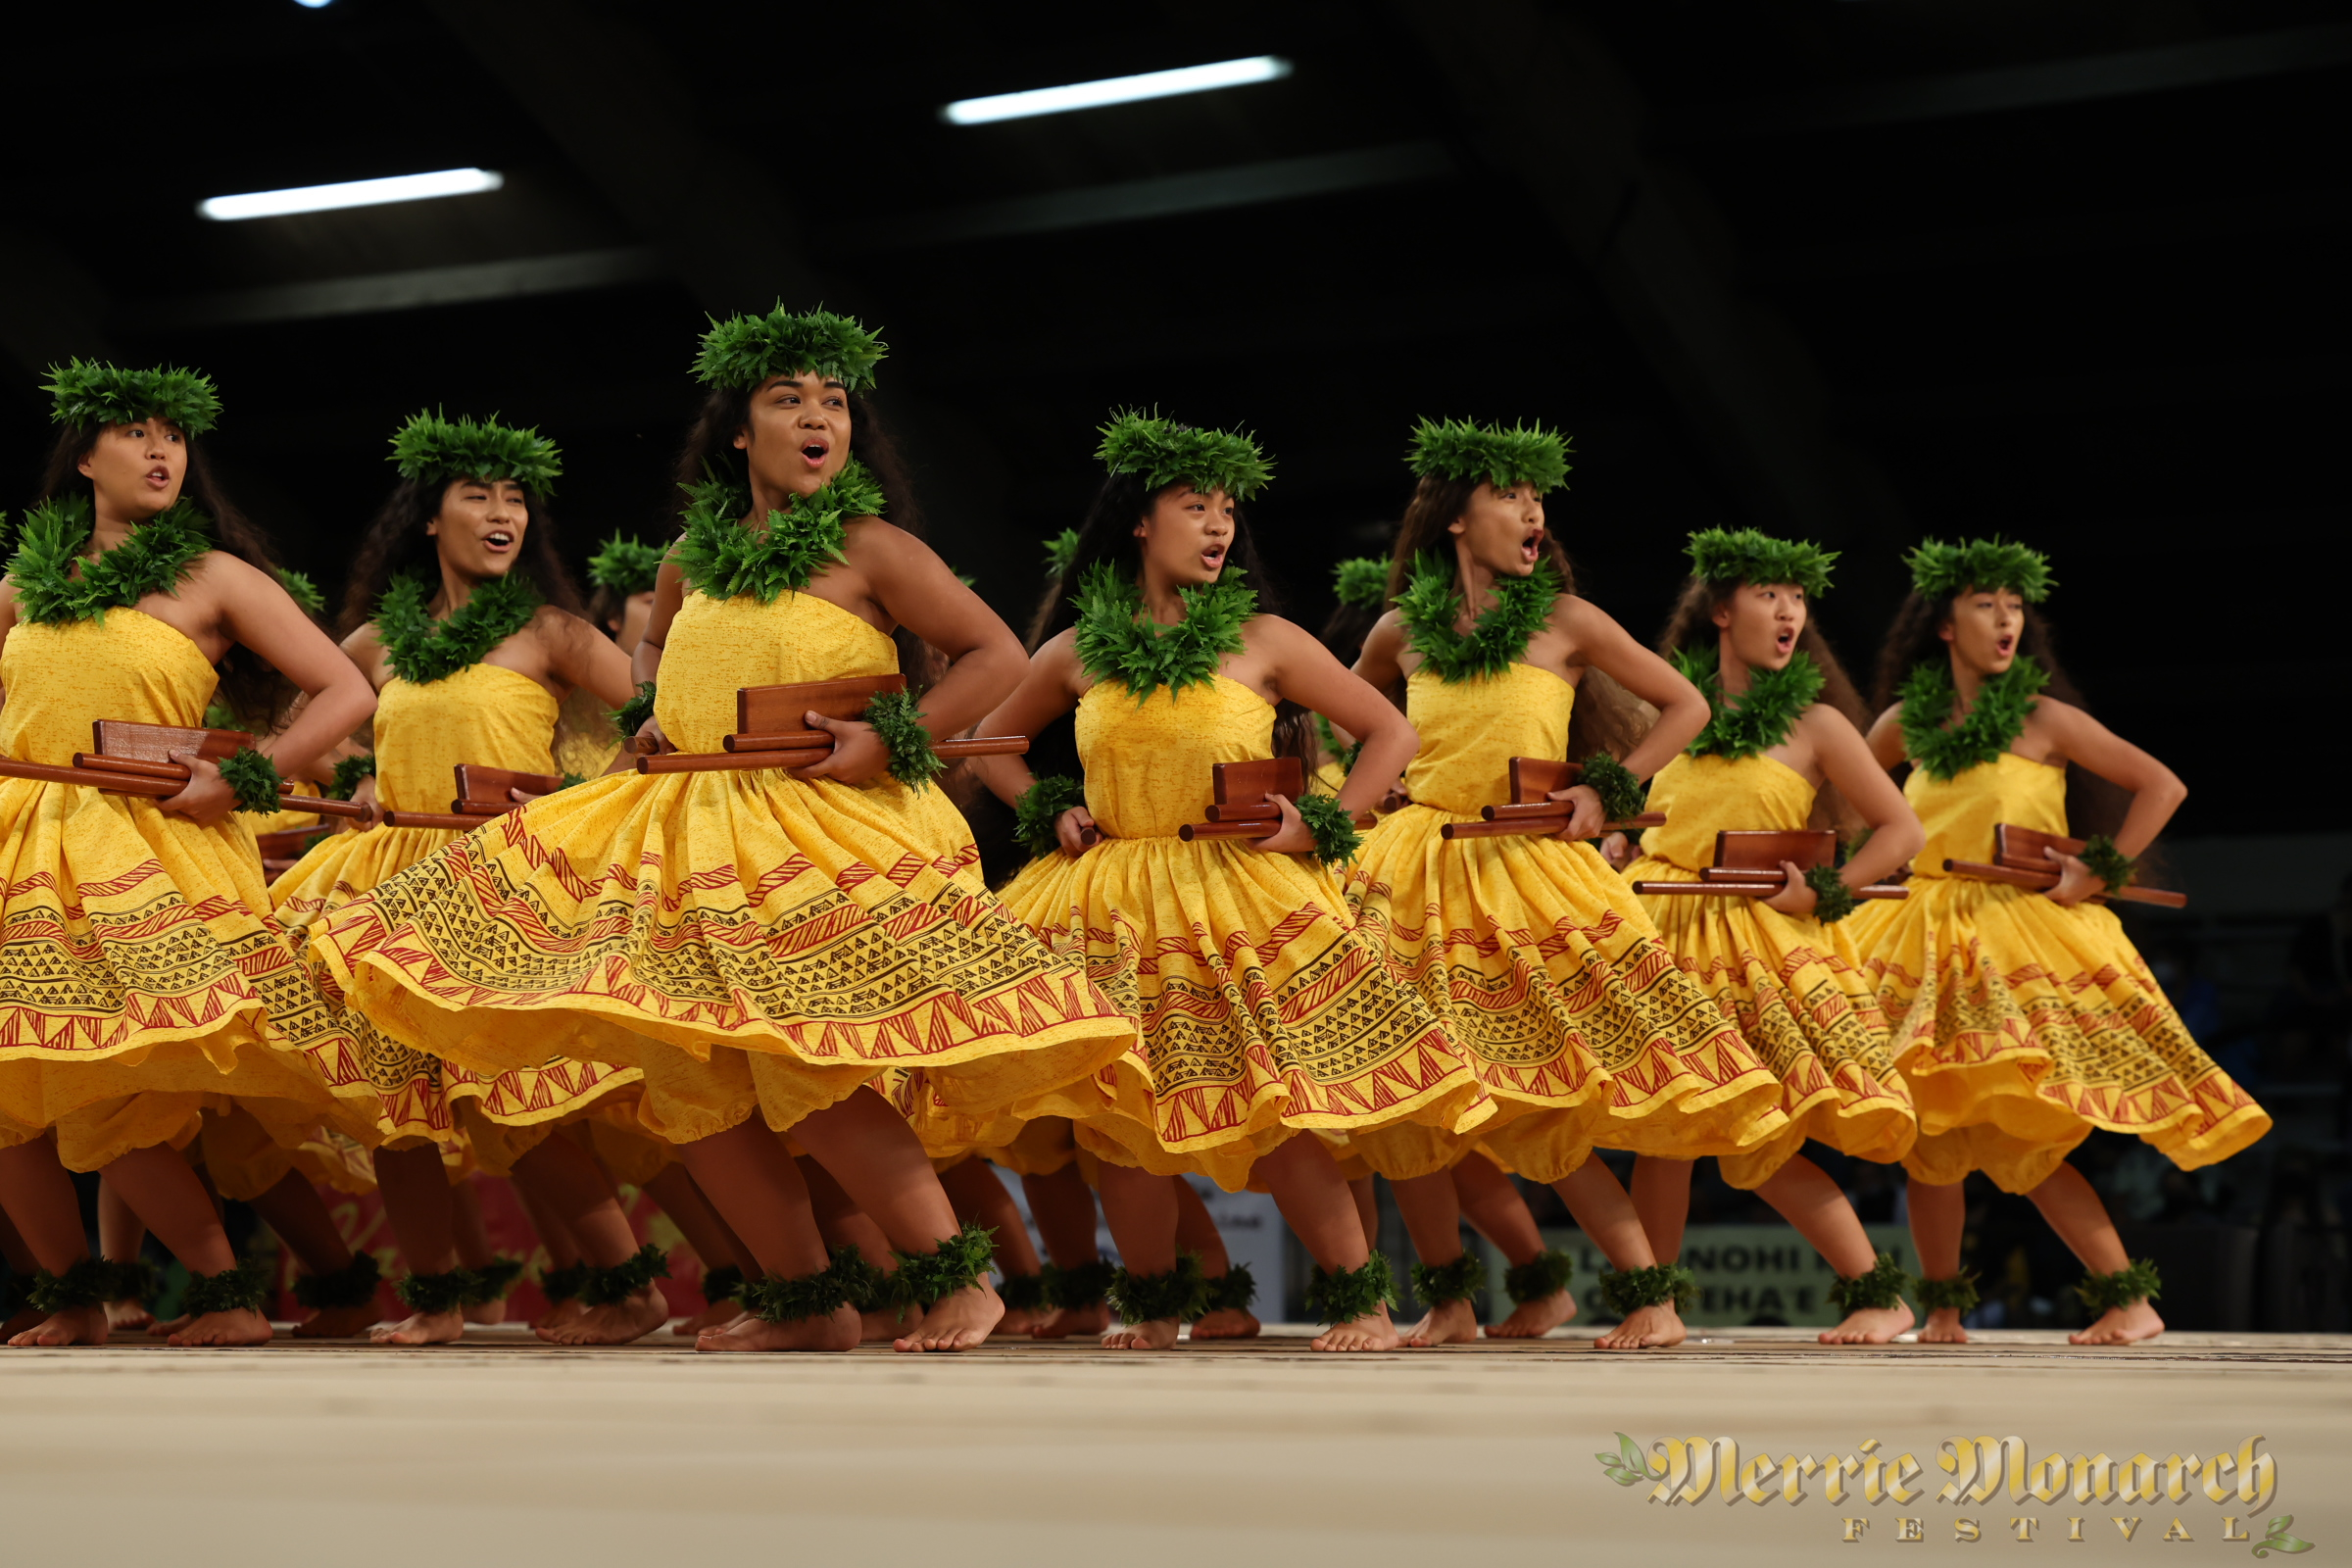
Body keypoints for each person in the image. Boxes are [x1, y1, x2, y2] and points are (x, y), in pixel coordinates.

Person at [309, 307, 1135, 1353]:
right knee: (686, 1079)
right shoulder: (689, 560)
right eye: (788, 399)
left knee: (814, 1060)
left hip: (822, 827)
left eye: (833, 402)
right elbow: (656, 699)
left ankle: (958, 1277)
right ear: (740, 432)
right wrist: (635, 746)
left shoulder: (872, 548)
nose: (816, 416)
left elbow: (993, 661)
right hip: (689, 831)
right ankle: (806, 1301)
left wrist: (890, 739)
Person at [971, 410, 1482, 1353]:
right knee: (1118, 1114)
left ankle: (1361, 1300)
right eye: (1194, 506)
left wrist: (1321, 821)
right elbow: (987, 744)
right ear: (1138, 521)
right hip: (1111, 897)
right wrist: (1046, 807)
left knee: (1275, 1102)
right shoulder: (1079, 650)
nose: (1218, 527)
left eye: (1229, 512)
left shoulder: (1266, 640)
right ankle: (1160, 1300)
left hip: (1236, 890)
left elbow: (1391, 735)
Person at [1343, 420, 1788, 1349]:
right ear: (1455, 520)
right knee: (1412, 1097)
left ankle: (1650, 1296)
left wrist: (1605, 790)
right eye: (1509, 495)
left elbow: (1686, 705)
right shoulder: (1400, 632)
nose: (1532, 511)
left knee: (1546, 1094)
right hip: (1417, 873)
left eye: (1537, 498)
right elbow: (1349, 720)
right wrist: (1371, 784)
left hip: (1529, 873)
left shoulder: (1566, 623)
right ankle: (1453, 1300)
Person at [0, 360, 377, 1347]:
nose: (162, 448)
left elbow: (344, 691)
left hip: (142, 849)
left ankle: (224, 1292)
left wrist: (248, 775)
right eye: (135, 432)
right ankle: (72, 1296)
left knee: (106, 1078)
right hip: (21, 847)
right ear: (85, 459)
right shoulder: (19, 588)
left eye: (174, 434)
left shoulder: (213, 577)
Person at [275, 410, 663, 1346]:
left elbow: (658, 725)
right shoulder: (375, 642)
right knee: (392, 1097)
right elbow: (299, 738)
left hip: (502, 880)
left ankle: (627, 1285)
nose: (503, 514)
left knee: (516, 1093)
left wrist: (575, 808)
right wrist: (362, 777)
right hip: (390, 878)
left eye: (517, 499)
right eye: (478, 496)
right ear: (427, 519)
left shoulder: (553, 632)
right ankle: (438, 1300)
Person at [1855, 537, 2270, 1344]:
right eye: (1986, 606)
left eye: (2015, 608)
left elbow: (2161, 784)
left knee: (2032, 1146)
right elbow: (1852, 801)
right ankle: (1942, 1312)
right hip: (1923, 935)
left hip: (2017, 941)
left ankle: (2129, 1299)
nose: (2006, 621)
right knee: (1927, 1137)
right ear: (1944, 626)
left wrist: (2101, 870)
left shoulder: (2046, 720)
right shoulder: (1905, 724)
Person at [1617, 527, 1926, 1344]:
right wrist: (1622, 841)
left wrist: (1826, 890)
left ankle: (1879, 1291)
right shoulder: (1670, 711)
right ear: (1721, 611)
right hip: (1663, 938)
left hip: (1755, 944)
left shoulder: (1820, 726)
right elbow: (1649, 814)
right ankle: (1655, 1302)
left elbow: (1899, 833)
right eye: (1770, 596)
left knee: (1759, 1136)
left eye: (1798, 601)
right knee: (1668, 1129)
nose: (1790, 613)